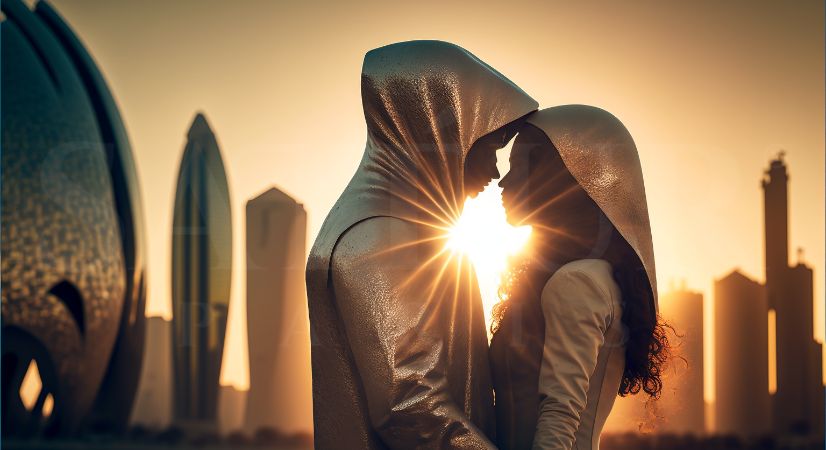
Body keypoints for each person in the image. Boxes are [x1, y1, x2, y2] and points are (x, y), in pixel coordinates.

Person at [306, 40, 538, 449]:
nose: (495, 172)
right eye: (488, 146)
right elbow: (410, 406)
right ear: (443, 133)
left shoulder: (410, 231)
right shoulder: (378, 235)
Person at [490, 105, 671, 450]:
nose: (504, 180)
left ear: (560, 177)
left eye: (519, 168)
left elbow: (560, 416)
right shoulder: (579, 277)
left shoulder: (578, 282)